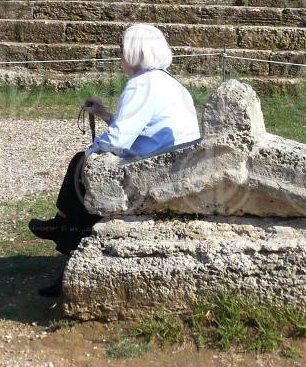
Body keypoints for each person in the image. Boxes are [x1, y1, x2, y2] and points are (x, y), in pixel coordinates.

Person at [29, 23, 201, 297]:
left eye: (121, 49)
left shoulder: (140, 85)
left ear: (135, 51)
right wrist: (106, 115)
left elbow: (120, 141)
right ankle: (61, 229)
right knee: (85, 166)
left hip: (152, 172)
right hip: (174, 166)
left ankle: (64, 236)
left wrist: (91, 149)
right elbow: (143, 129)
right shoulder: (172, 84)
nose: (119, 55)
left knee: (83, 166)